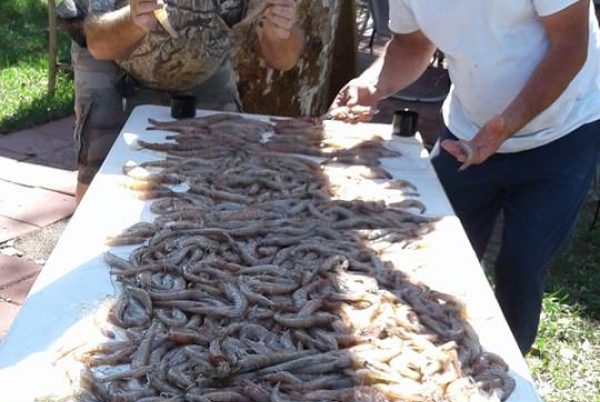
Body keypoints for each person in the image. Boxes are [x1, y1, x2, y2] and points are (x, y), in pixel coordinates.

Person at [331, 0, 600, 355]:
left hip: (562, 132)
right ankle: (430, 354)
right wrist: (373, 85)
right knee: (434, 252)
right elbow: (412, 45)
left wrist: (506, 124)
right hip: (468, 130)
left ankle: (505, 370)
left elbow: (570, 46)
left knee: (520, 265)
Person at [59, 0, 303, 203]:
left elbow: (284, 60)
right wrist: (132, 19)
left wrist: (279, 32)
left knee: (226, 177)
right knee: (104, 185)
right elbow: (98, 44)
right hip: (116, 63)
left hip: (206, 62)